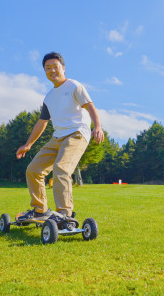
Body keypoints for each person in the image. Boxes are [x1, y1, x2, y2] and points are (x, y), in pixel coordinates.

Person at [15, 52, 104, 221]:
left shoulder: (74, 86)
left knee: (61, 168)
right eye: (48, 68)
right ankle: (40, 210)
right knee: (34, 170)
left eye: (55, 67)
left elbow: (90, 106)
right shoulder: (49, 97)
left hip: (77, 134)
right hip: (57, 137)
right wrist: (28, 145)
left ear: (63, 68)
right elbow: (42, 123)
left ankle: (64, 214)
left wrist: (98, 127)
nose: (52, 71)